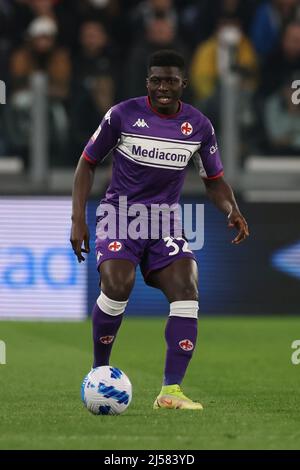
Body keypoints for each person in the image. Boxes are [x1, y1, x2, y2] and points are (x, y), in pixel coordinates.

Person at [70, 49, 249, 411]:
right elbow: (87, 163)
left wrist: (232, 209)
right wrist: (77, 219)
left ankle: (171, 392)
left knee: (187, 288)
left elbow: (214, 181)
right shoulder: (122, 115)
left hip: (164, 222)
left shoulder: (199, 126)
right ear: (147, 82)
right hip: (119, 216)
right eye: (156, 80)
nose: (163, 87)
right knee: (118, 285)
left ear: (183, 83)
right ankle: (99, 371)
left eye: (170, 80)